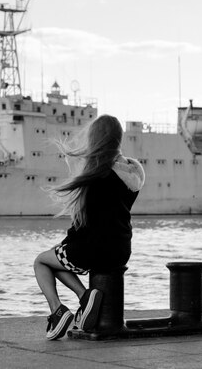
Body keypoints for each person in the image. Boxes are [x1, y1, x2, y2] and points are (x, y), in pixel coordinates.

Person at [33, 114, 145, 340]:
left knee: (42, 261)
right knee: (59, 257)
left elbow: (83, 223)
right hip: (121, 250)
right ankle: (85, 300)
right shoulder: (133, 172)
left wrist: (66, 243)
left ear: (96, 138)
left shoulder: (96, 174)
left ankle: (60, 310)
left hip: (94, 249)